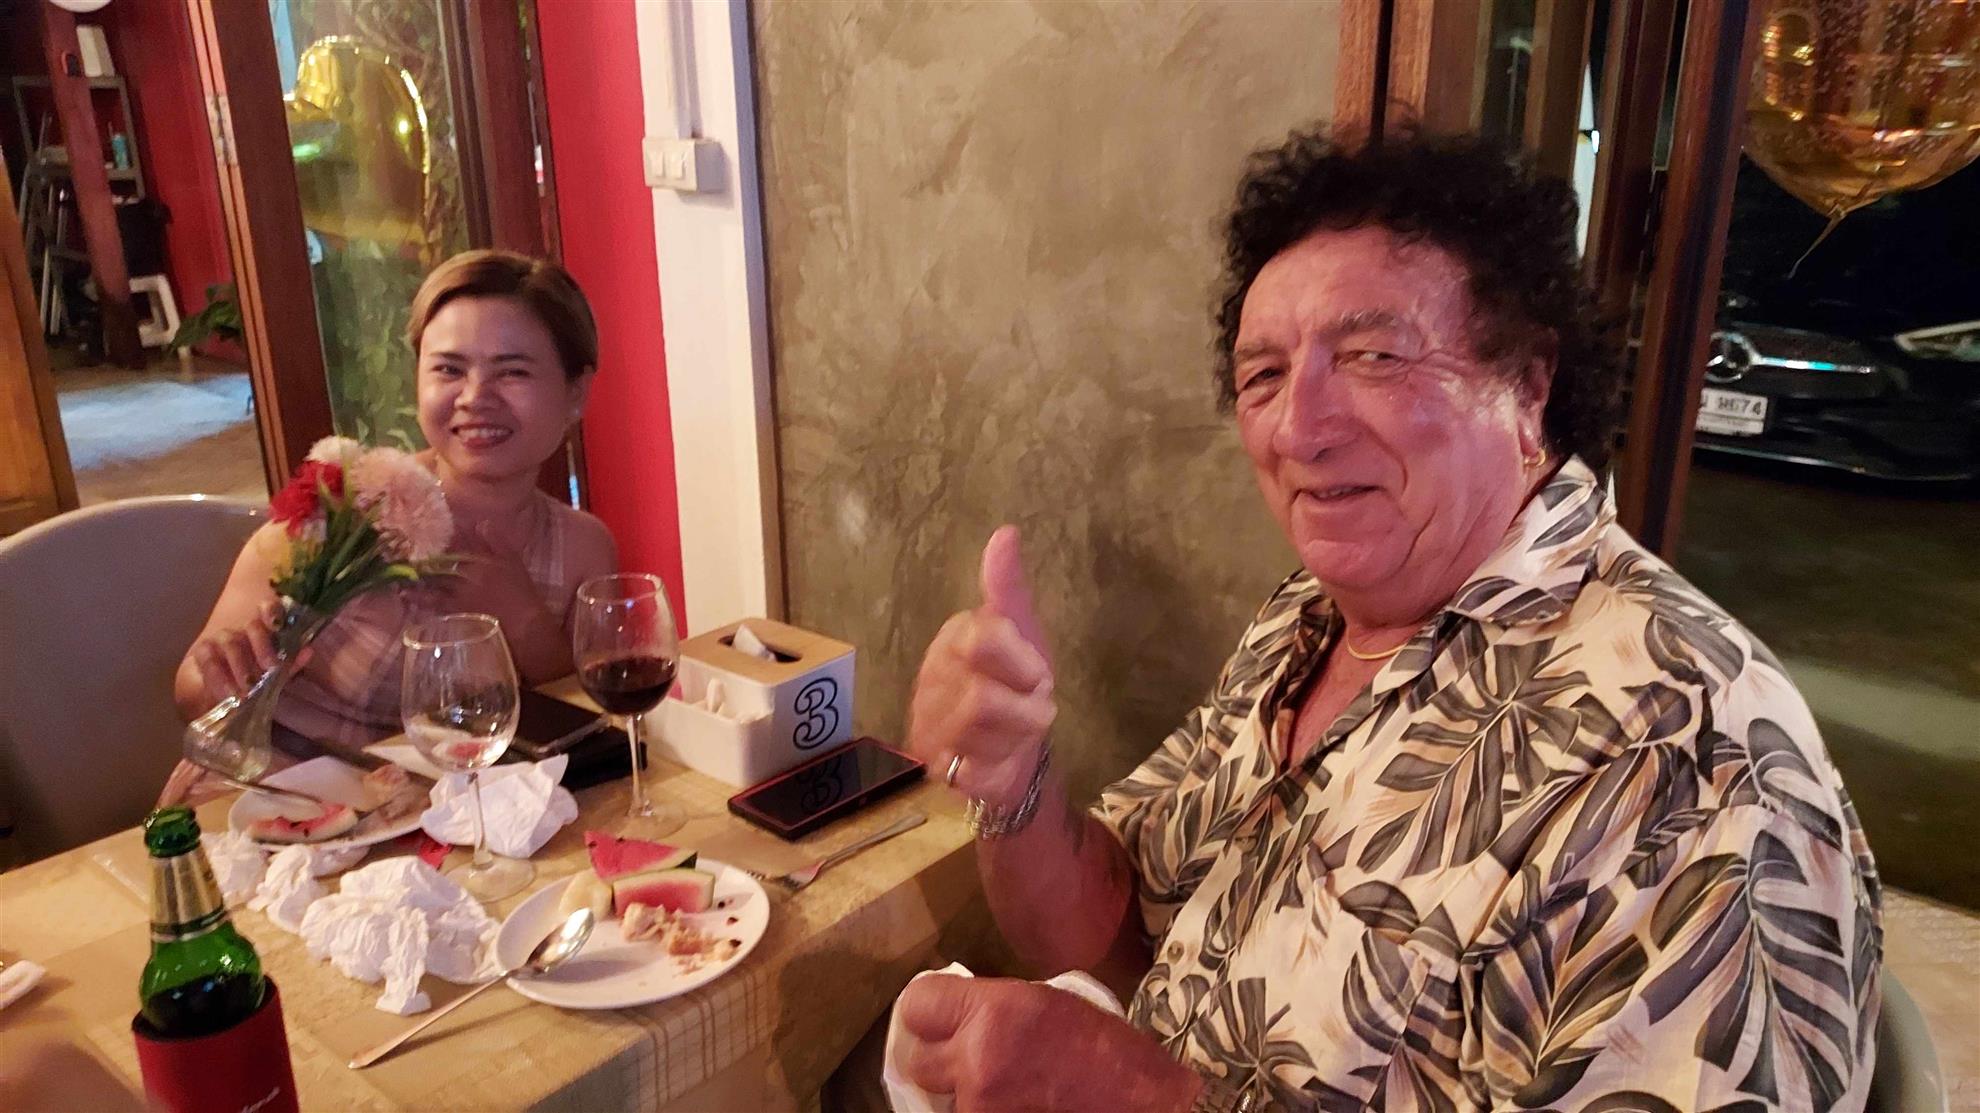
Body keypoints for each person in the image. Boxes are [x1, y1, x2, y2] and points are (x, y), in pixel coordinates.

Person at [896, 130, 1881, 1112]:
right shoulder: (1309, 620)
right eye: (1263, 375)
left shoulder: (1689, 752)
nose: (1297, 427)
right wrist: (1014, 780)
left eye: (1373, 355)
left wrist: (1137, 1095)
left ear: (1528, 384)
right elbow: (1109, 928)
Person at [169, 251, 617, 783]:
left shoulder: (582, 546)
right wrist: (223, 671)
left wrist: (524, 622)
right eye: (449, 369)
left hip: (449, 812)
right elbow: (191, 696)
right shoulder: (344, 508)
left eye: (513, 371)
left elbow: (594, 723)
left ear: (575, 392)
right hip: (266, 793)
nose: (475, 397)